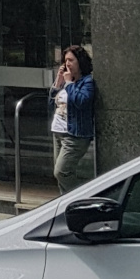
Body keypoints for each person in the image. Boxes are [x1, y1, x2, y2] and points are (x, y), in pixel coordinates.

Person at [51, 45, 96, 192]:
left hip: (74, 134)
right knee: (61, 175)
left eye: (71, 60)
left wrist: (69, 84)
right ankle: (66, 202)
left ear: (80, 61)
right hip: (58, 132)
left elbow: (81, 102)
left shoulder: (87, 82)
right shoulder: (65, 81)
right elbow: (52, 103)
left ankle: (81, 198)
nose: (67, 64)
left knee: (61, 172)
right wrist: (58, 83)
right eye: (65, 61)